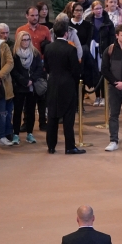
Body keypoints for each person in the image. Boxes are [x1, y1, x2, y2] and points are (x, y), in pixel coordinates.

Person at [44, 19, 83, 154]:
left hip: (53, 83)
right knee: (68, 117)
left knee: (52, 116)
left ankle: (51, 146)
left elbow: (47, 68)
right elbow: (76, 70)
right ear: (66, 33)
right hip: (67, 85)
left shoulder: (48, 48)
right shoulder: (71, 49)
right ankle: (69, 146)